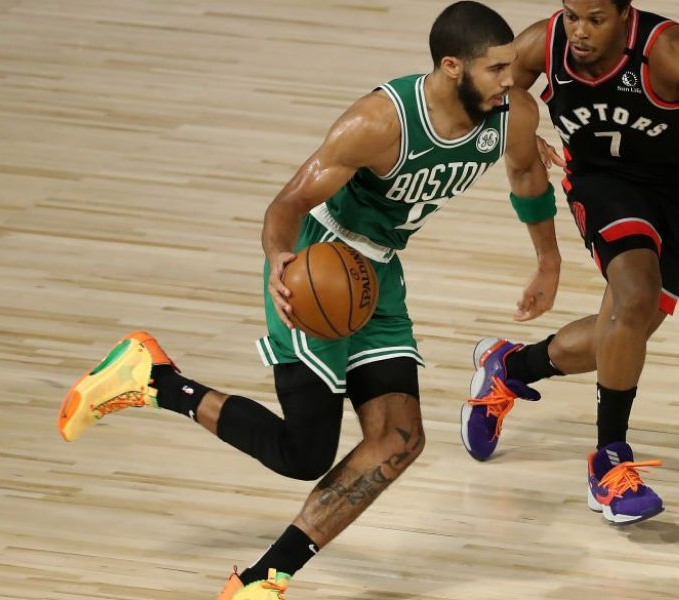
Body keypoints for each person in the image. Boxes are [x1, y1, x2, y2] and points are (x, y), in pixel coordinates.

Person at [57, 2, 562, 598]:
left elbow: (527, 172)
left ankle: (264, 579)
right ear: (452, 67)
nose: (512, 79)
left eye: (514, 67)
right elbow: (287, 205)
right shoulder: (379, 122)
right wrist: (279, 259)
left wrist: (548, 261)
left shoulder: (512, 114)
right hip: (317, 266)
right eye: (497, 68)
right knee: (305, 452)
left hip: (378, 277)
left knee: (398, 440)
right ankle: (155, 378)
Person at [460, 0, 679, 525]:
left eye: (595, 19)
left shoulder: (668, 50)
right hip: (602, 182)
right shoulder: (543, 42)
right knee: (633, 299)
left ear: (624, 13)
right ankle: (609, 464)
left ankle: (508, 366)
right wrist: (516, 126)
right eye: (570, 16)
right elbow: (482, 86)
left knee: (623, 332)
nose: (579, 32)